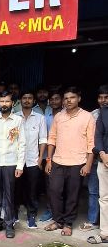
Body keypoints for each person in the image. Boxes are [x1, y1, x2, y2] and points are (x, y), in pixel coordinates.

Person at [45, 87, 95, 237]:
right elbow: (52, 138)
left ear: (79, 99)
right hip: (58, 161)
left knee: (73, 195)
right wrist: (48, 160)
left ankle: (68, 223)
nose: (68, 101)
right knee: (54, 191)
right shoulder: (59, 117)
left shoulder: (87, 117)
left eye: (72, 97)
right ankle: (58, 220)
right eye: (66, 98)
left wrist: (88, 164)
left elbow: (91, 144)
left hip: (78, 162)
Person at [0, 90, 26, 238]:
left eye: (7, 101)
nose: (4, 104)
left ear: (12, 103)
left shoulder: (18, 121)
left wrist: (20, 165)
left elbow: (22, 143)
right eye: (2, 101)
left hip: (11, 162)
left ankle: (9, 224)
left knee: (9, 194)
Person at [16, 90, 48, 228]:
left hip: (33, 160)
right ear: (20, 100)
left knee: (32, 190)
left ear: (34, 101)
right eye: (24, 98)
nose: (27, 100)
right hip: (16, 160)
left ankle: (31, 216)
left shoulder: (40, 118)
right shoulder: (15, 117)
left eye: (30, 98)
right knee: (16, 188)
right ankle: (14, 214)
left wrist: (40, 158)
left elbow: (43, 139)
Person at [80, 85, 108, 231]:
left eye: (106, 97)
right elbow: (88, 138)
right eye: (100, 97)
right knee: (93, 191)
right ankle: (92, 220)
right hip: (96, 159)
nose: (103, 100)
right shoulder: (93, 115)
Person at [39, 86, 64, 222]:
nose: (54, 101)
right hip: (48, 156)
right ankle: (50, 209)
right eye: (52, 99)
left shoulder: (66, 115)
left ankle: (62, 211)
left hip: (64, 155)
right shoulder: (45, 117)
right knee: (49, 185)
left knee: (63, 185)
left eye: (57, 99)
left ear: (62, 100)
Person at [88, 94, 108, 244]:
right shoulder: (104, 113)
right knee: (104, 198)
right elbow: (98, 136)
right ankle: (105, 233)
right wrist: (102, 153)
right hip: (104, 160)